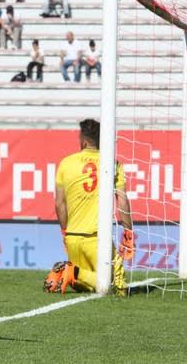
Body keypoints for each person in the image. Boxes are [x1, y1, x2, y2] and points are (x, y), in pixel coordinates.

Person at [45, 119, 133, 296]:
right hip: (97, 239)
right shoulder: (112, 164)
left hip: (73, 238)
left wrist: (65, 232)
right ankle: (74, 271)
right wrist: (128, 233)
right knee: (118, 288)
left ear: (83, 140)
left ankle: (68, 272)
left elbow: (59, 204)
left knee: (81, 286)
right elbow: (122, 201)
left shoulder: (66, 163)